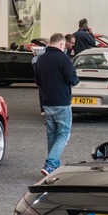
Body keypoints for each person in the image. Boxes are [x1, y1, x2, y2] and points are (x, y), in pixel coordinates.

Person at [34, 33, 79, 176]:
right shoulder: (64, 59)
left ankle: (53, 167)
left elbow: (37, 82)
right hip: (62, 102)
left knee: (52, 136)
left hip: (47, 102)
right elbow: (73, 80)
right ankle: (51, 164)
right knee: (63, 135)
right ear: (61, 44)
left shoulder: (40, 60)